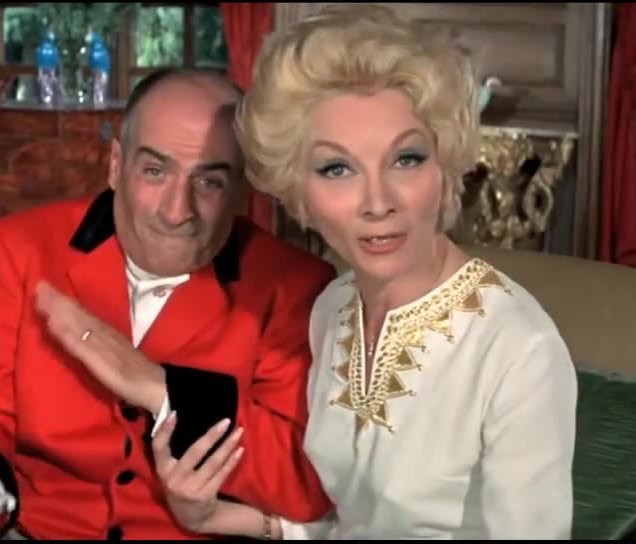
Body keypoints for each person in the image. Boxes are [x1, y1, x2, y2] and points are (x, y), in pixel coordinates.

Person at [150, 5, 579, 540]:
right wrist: (215, 516)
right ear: (298, 190)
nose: (378, 202)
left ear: (444, 167)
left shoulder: (518, 348)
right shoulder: (332, 309)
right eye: (337, 169)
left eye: (406, 159)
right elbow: (351, 522)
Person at [0, 67, 338, 540]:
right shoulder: (17, 249)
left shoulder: (295, 286)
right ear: (116, 165)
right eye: (154, 171)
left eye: (209, 182)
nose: (177, 211)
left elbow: (303, 479)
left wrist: (159, 389)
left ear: (242, 192)